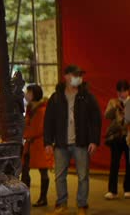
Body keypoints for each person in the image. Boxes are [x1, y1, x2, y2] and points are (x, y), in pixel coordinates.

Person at [44, 65, 101, 215]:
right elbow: (48, 121)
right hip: (61, 144)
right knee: (59, 176)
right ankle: (61, 203)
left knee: (83, 176)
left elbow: (96, 120)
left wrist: (94, 141)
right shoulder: (56, 97)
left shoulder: (87, 96)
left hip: (81, 143)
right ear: (67, 76)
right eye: (76, 75)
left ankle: (82, 204)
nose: (79, 78)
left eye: (80, 75)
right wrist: (47, 142)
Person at [21, 84, 53, 207]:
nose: (26, 94)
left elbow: (38, 129)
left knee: (43, 171)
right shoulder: (30, 109)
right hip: (30, 145)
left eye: (28, 92)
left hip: (39, 144)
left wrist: (25, 133)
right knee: (24, 171)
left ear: (34, 94)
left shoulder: (42, 110)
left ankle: (43, 198)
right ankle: (25, 197)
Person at [103, 80, 130, 200]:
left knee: (129, 164)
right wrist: (114, 108)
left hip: (129, 136)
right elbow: (107, 116)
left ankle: (128, 189)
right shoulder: (113, 102)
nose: (122, 93)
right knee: (114, 164)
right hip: (116, 136)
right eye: (119, 91)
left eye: (124, 91)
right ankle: (112, 190)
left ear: (128, 91)